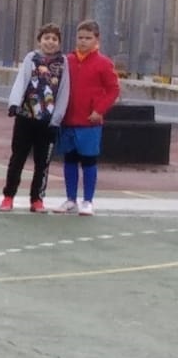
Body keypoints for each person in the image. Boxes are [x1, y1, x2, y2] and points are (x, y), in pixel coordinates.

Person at [53, 19, 121, 217]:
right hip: (68, 120)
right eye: (80, 37)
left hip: (90, 122)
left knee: (89, 161)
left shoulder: (104, 63)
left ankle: (88, 200)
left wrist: (99, 110)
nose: (83, 42)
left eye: (88, 38)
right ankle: (70, 199)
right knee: (69, 160)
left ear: (96, 39)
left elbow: (113, 90)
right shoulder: (67, 61)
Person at [1, 23, 70, 213]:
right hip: (26, 117)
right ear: (40, 40)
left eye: (54, 39)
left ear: (59, 42)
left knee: (42, 163)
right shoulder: (31, 58)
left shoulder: (63, 63)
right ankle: (8, 196)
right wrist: (14, 103)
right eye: (46, 38)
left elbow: (64, 91)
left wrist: (57, 117)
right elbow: (21, 81)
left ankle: (37, 199)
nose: (50, 42)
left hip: (48, 122)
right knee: (18, 159)